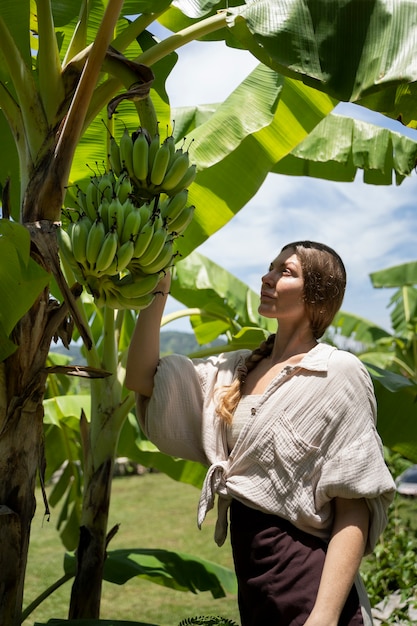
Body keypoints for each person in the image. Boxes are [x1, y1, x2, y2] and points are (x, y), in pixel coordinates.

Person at [125, 240, 396, 626]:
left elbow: (353, 507)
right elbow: (141, 378)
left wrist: (324, 616)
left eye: (285, 272)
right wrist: (157, 291)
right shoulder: (238, 368)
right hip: (254, 578)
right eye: (270, 268)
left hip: (308, 579)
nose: (267, 278)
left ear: (317, 293)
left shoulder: (339, 373)